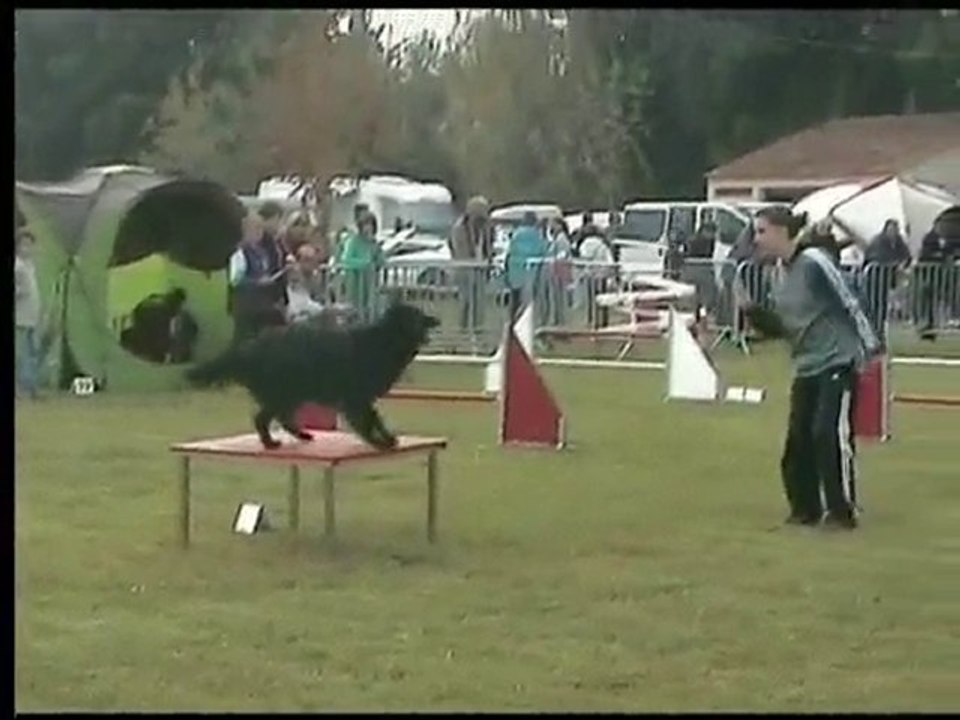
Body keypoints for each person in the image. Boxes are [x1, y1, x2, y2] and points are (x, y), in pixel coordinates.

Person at [745, 206, 880, 531]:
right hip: (807, 364)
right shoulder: (778, 273)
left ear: (782, 231)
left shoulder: (815, 262)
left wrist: (871, 347)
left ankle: (841, 511)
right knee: (798, 438)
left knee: (827, 432)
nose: (756, 239)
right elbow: (792, 326)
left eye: (762, 231)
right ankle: (805, 510)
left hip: (838, 360)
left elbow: (850, 301)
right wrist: (760, 319)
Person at [228, 213, 289, 344]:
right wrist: (257, 282)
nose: (259, 232)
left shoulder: (261, 251)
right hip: (245, 304)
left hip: (263, 300)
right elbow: (234, 280)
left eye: (261, 228)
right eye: (256, 228)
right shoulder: (238, 252)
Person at [449, 195, 494, 336]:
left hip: (480, 269)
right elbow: (459, 249)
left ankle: (477, 329)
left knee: (479, 302)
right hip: (465, 269)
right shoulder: (460, 228)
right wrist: (470, 259)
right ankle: (463, 330)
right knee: (465, 301)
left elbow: (489, 245)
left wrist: (488, 258)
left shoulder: (485, 227)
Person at [863, 219, 911, 339]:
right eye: (891, 229)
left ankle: (880, 330)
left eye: (895, 229)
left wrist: (903, 263)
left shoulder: (899, 241)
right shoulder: (878, 241)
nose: (893, 231)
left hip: (887, 278)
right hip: (875, 277)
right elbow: (877, 257)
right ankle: (872, 329)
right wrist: (895, 264)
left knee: (883, 304)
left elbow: (907, 255)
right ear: (886, 229)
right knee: (874, 303)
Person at [338, 211, 384, 324]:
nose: (368, 228)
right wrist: (364, 264)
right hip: (354, 281)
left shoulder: (373, 243)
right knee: (353, 309)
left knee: (368, 309)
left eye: (371, 224)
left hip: (369, 282)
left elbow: (380, 260)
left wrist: (377, 252)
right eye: (365, 224)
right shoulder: (353, 241)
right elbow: (346, 259)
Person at [504, 211, 550, 321]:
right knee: (530, 302)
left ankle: (512, 322)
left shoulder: (516, 235)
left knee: (515, 301)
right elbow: (543, 251)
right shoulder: (537, 235)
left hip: (515, 272)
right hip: (531, 273)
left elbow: (509, 253)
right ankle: (526, 323)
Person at [15, 229, 42, 399]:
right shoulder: (17, 266)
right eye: (24, 245)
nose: (27, 248)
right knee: (22, 353)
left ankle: (31, 387)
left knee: (32, 353)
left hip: (32, 316)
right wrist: (21, 291)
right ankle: (22, 387)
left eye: (30, 245)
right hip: (20, 317)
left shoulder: (30, 265)